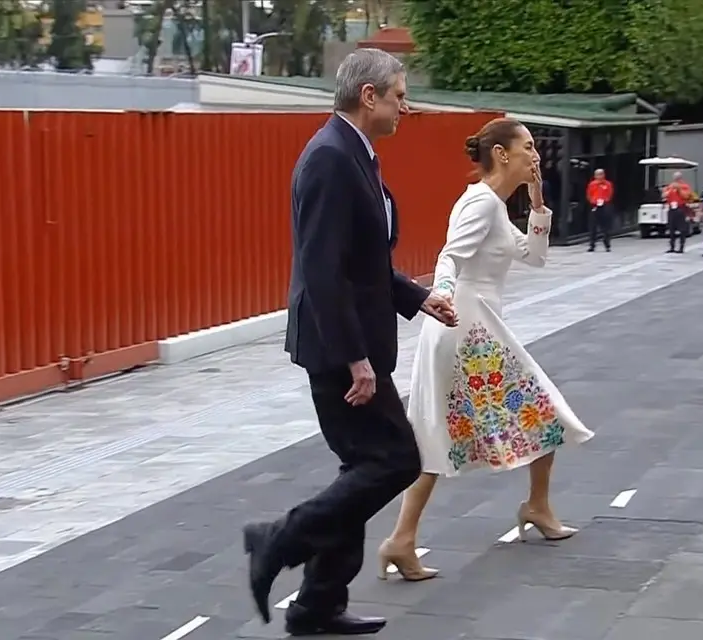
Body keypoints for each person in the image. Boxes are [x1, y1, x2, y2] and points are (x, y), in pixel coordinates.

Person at [241, 48, 458, 637]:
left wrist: (416, 298)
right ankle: (277, 540)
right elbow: (322, 268)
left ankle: (317, 606)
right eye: (399, 96)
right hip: (338, 349)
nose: (405, 107)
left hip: (352, 341)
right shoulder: (331, 158)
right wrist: (354, 359)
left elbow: (365, 260)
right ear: (369, 97)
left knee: (364, 466)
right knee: (394, 460)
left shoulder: (355, 153)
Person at [378, 118, 595, 579]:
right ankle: (531, 507)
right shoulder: (480, 203)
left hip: (472, 326)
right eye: (529, 147)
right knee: (536, 411)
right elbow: (449, 256)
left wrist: (537, 201)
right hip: (465, 327)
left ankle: (404, 539)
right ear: (502, 154)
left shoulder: (494, 206)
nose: (535, 155)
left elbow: (535, 255)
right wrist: (440, 297)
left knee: (442, 432)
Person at [663, 171, 692, 253]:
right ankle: (672, 247)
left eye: (677, 177)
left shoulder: (685, 186)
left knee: (682, 229)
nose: (676, 179)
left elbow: (686, 196)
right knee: (671, 228)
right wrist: (667, 191)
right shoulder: (670, 186)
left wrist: (679, 189)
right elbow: (664, 195)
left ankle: (681, 247)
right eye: (675, 177)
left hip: (680, 209)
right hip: (672, 208)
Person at [585, 168, 614, 252]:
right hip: (594, 205)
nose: (599, 176)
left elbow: (610, 194)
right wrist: (592, 202)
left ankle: (607, 245)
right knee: (593, 226)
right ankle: (592, 245)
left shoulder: (608, 184)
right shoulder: (592, 184)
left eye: (601, 174)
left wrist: (605, 201)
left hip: (604, 205)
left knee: (605, 226)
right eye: (598, 174)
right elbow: (589, 194)